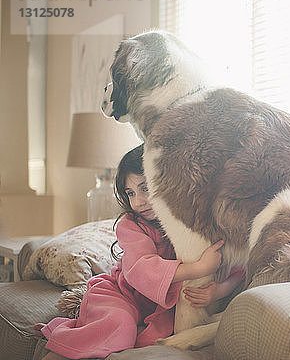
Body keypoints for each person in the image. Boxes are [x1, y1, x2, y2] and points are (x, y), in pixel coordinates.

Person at [35, 145, 245, 360]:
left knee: (155, 337)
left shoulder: (194, 223)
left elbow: (236, 267)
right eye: (130, 193)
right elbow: (139, 268)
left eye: (145, 188)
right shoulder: (131, 225)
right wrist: (198, 269)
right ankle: (60, 351)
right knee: (120, 326)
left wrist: (218, 291)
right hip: (121, 295)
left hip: (158, 310)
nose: (138, 201)